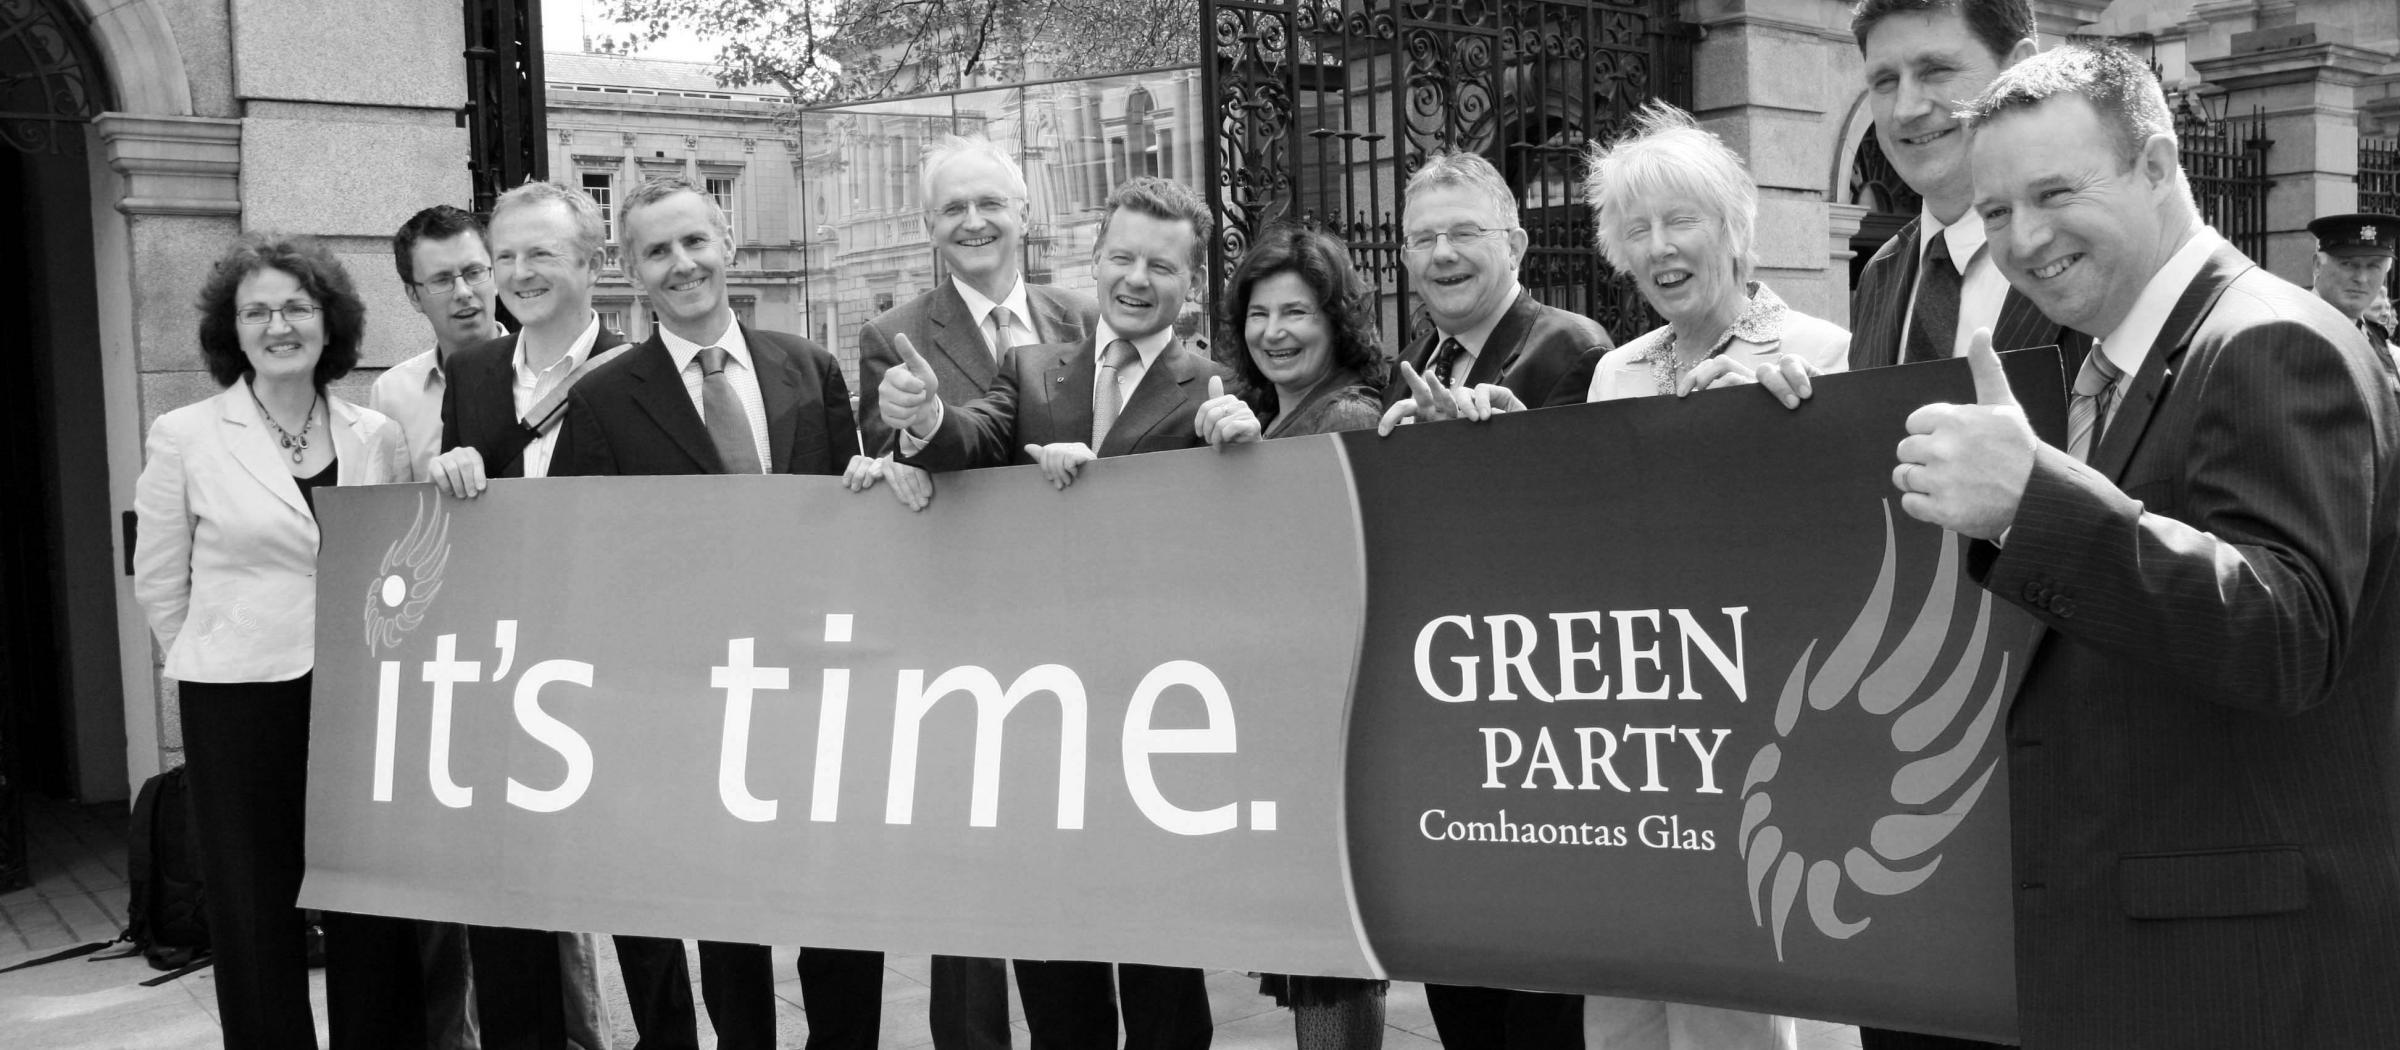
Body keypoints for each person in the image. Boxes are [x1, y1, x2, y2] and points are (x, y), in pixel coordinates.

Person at [1896, 43, 2400, 1045]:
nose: (2024, 237)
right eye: (1995, 211)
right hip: (2132, 956)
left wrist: (2032, 505)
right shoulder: (2101, 361)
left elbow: (2289, 635)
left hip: (2238, 977)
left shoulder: (2267, 342)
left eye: (2054, 191)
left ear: (2161, 165)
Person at [879, 176, 1252, 1050]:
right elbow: (970, 441)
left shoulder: (1212, 387)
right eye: (1120, 257)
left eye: (1160, 266)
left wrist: (1236, 442)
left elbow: (1232, 528)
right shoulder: (1031, 369)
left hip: (1150, 716)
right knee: (1059, 980)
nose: (1134, 279)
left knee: (1163, 980)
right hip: (1041, 713)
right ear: (1093, 261)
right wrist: (926, 415)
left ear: (1189, 286)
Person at [550, 176, 870, 1050]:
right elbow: (591, 560)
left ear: (725, 240)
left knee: (838, 906)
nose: (682, 264)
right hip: (696, 702)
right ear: (630, 271)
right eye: (657, 251)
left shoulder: (812, 369)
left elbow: (853, 530)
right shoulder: (605, 401)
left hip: (817, 688)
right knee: (729, 922)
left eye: (694, 241)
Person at [131, 234, 415, 1049]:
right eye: (256, 310)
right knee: (255, 902)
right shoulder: (185, 434)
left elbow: (395, 559)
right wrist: (213, 648)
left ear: (331, 324)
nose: (278, 325)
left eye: (297, 306)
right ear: (233, 329)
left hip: (359, 697)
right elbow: (159, 577)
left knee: (368, 895)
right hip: (239, 699)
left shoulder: (375, 435)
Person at [392, 187, 623, 1050]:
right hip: (503, 674)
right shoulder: (477, 375)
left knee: (622, 903)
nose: (516, 275)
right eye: (509, 257)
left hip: (603, 670)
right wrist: (453, 472)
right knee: (508, 893)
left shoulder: (636, 369)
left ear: (592, 264)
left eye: (537, 255)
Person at [1226, 224, 1392, 1050]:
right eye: (1259, 314)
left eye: (1297, 313)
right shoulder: (1265, 415)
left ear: (1336, 322)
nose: (1276, 332)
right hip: (1273, 720)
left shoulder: (1347, 419)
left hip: (1325, 731)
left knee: (1328, 958)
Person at [1845, 0, 2088, 380]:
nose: (1906, 110)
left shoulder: (2095, 250)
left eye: (1936, 70)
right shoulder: (1879, 277)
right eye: (1885, 81)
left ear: (2021, 70)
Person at [1388, 150, 1611, 414]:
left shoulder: (1574, 352)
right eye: (1423, 239)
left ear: (1513, 249)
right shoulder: (1406, 365)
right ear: (1405, 259)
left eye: (1464, 233)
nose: (1442, 254)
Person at [2304, 211, 2396, 358]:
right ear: (2318, 265)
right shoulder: (2290, 330)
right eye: (2348, 264)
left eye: (2373, 266)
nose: (2361, 278)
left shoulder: (2379, 342)